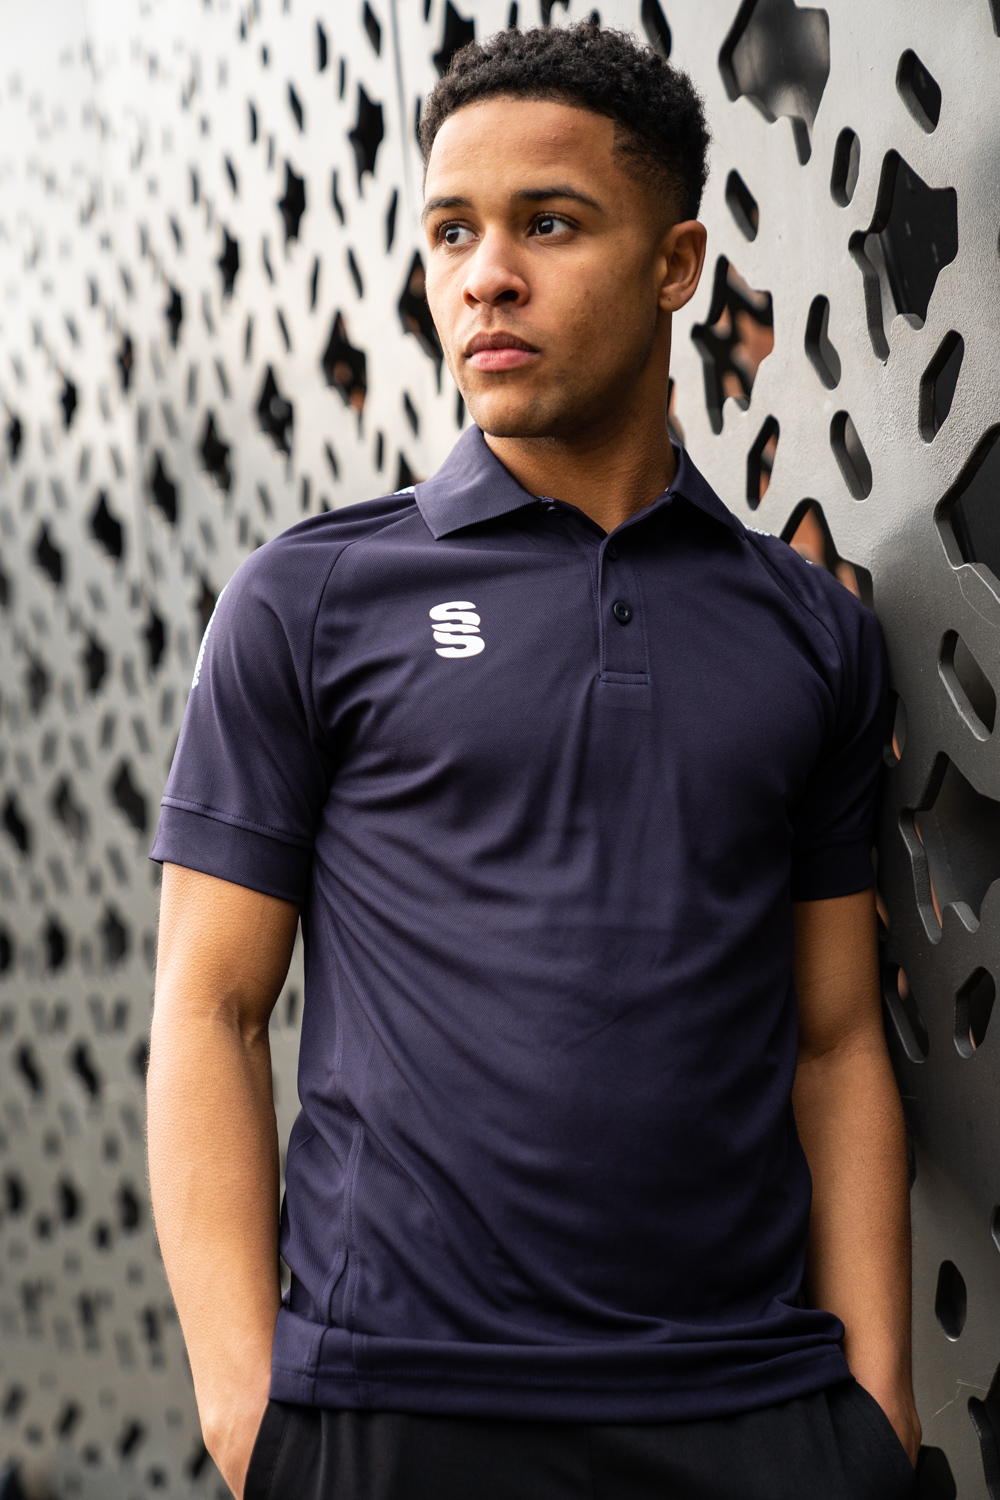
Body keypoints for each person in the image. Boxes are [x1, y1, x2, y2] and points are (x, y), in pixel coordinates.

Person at [146, 21, 920, 1500]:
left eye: (547, 224)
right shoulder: (311, 599)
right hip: (393, 1415)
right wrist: (252, 1417)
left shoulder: (811, 631)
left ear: (676, 265)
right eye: (452, 231)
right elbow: (209, 1005)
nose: (484, 276)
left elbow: (834, 1040)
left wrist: (876, 1410)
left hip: (752, 1411)